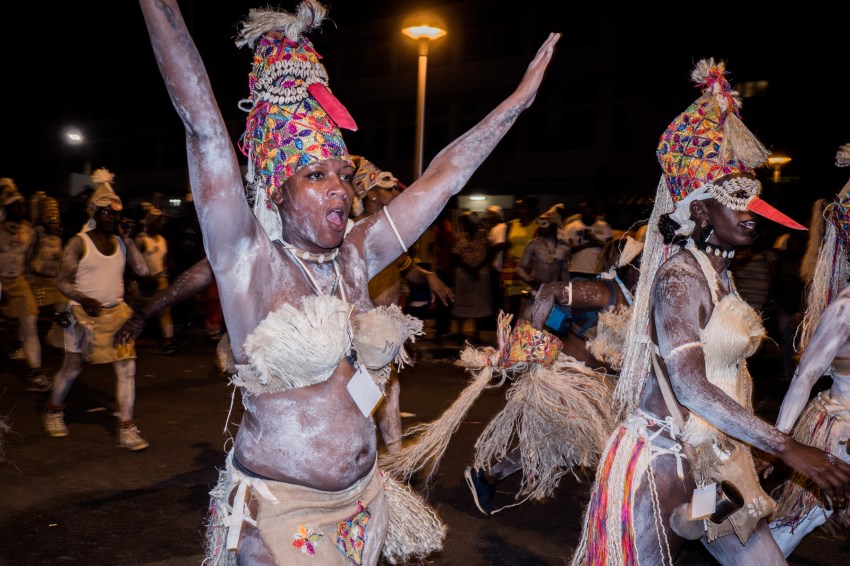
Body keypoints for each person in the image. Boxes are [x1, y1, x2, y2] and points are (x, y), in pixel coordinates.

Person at [140, 1, 559, 563]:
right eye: (315, 175)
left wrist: (516, 104)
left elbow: (444, 175)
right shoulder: (248, 260)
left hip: (363, 499)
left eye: (342, 174)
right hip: (285, 511)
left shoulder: (359, 253)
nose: (340, 187)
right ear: (276, 193)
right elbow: (201, 123)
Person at [570, 59, 850, 565]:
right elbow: (689, 384)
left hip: (716, 461)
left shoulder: (721, 271)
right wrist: (784, 446)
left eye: (755, 200)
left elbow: (727, 374)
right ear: (701, 211)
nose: (751, 213)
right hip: (662, 461)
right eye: (735, 199)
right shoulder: (680, 276)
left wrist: (753, 447)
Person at [769, 143, 850, 556]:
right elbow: (804, 377)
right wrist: (778, 441)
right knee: (803, 517)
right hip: (842, 434)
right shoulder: (844, 309)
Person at [43, 170, 151, 451]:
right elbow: (63, 282)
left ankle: (127, 429)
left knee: (127, 368)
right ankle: (54, 411)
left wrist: (128, 239)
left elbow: (143, 270)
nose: (114, 218)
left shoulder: (120, 242)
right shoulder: (78, 242)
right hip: (82, 316)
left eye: (116, 214)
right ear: (95, 213)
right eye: (108, 213)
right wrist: (84, 298)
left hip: (117, 315)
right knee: (72, 367)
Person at [530, 234, 643, 372]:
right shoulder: (602, 291)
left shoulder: (632, 298)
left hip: (597, 380)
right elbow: (547, 291)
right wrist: (535, 343)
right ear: (632, 272)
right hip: (569, 372)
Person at [0, 178, 50, 391]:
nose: (21, 209)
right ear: (5, 208)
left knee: (30, 324)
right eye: (16, 205)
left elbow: (29, 260)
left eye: (22, 205)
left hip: (19, 280)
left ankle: (35, 372)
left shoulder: (29, 232)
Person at [28, 191, 70, 352]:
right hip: (36, 282)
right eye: (49, 213)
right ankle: (23, 345)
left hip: (54, 283)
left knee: (64, 313)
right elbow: (28, 258)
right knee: (30, 317)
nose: (52, 216)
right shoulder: (34, 233)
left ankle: (58, 340)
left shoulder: (58, 235)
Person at [134, 203, 177, 353]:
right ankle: (130, 340)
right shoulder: (141, 240)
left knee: (164, 310)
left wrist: (169, 273)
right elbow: (133, 261)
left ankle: (168, 341)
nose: (161, 224)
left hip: (160, 280)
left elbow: (168, 262)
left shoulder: (163, 240)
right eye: (158, 221)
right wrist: (141, 279)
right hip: (143, 282)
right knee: (138, 312)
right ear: (151, 222)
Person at [516, 204, 570, 319]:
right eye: (540, 224)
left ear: (555, 226)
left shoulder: (564, 247)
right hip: (534, 291)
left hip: (553, 293)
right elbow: (520, 268)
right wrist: (530, 280)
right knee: (529, 325)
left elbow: (565, 272)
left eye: (545, 224)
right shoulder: (533, 245)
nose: (541, 227)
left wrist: (566, 293)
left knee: (551, 328)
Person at [452, 211, 493, 343]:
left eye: (467, 222)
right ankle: (459, 333)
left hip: (480, 275)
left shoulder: (484, 236)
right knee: (462, 304)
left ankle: (476, 334)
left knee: (478, 305)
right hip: (464, 275)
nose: (464, 225)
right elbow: (455, 256)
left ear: (473, 223)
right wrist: (470, 269)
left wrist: (476, 269)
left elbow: (489, 255)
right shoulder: (461, 237)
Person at [501, 197, 539, 316]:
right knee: (511, 307)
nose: (518, 210)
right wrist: (502, 272)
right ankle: (511, 334)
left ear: (531, 209)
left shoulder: (537, 225)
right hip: (512, 271)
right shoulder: (511, 224)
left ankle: (524, 334)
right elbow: (506, 248)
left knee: (527, 307)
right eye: (517, 207)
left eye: (522, 207)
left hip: (529, 271)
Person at [561, 199, 612, 277]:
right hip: (576, 270)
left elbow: (611, 249)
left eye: (591, 213)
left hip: (598, 271)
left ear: (596, 214)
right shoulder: (571, 227)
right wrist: (588, 244)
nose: (588, 216)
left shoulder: (604, 226)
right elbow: (567, 250)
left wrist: (595, 240)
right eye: (585, 213)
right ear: (581, 213)